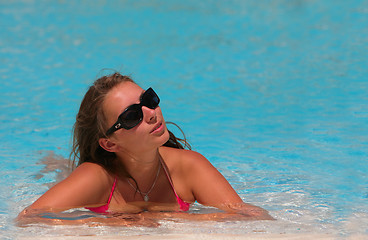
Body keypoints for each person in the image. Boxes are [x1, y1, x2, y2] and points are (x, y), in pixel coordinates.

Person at [17, 72, 273, 225]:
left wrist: (165, 219)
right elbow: (29, 218)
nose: (151, 113)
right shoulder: (97, 178)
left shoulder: (188, 166)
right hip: (97, 175)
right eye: (131, 116)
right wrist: (110, 223)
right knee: (60, 169)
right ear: (109, 143)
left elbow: (254, 216)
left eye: (149, 100)